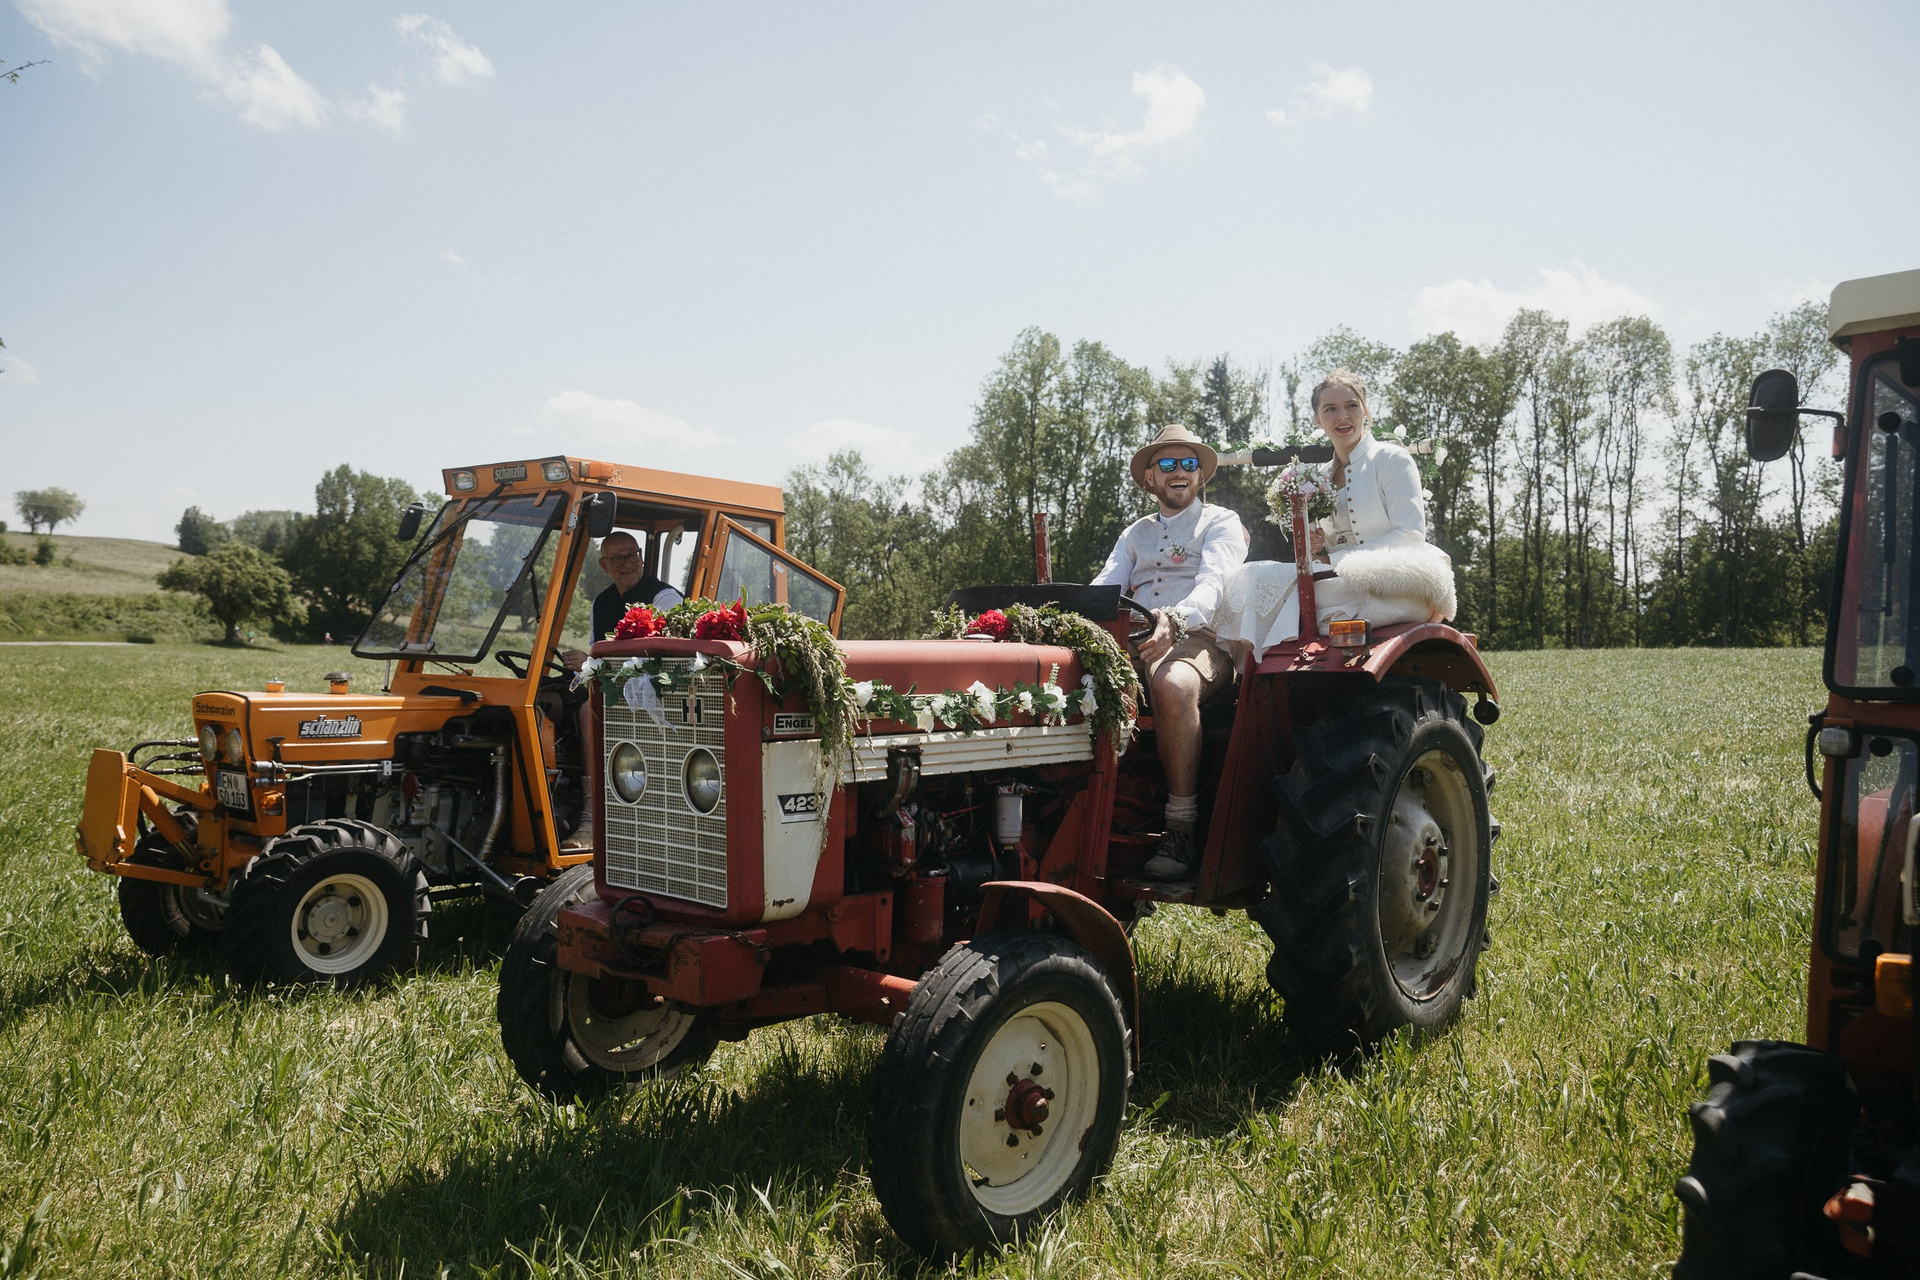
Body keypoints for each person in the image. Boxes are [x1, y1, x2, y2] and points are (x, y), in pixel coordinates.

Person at [1092, 424, 1249, 880]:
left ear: (1200, 475)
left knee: (1173, 683)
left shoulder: (1220, 522)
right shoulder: (1134, 533)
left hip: (1202, 639)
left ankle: (1181, 828)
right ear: (1150, 478)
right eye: (1167, 464)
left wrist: (1176, 619)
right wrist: (1071, 612)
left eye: (1188, 463)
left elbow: (1214, 584)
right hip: (1136, 638)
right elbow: (1106, 585)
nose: (1178, 471)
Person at [1210, 370, 1454, 662]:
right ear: (1317, 418)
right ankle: (1243, 673)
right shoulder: (1320, 476)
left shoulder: (1391, 459)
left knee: (1268, 582)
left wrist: (1333, 560)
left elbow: (1411, 535)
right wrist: (1316, 548)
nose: (1343, 416)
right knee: (1247, 576)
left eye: (1351, 406)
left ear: (1365, 411)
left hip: (1393, 583)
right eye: (1331, 409)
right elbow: (1324, 551)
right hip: (1333, 580)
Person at [560, 531, 685, 672]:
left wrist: (590, 666)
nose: (627, 564)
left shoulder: (665, 599)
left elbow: (659, 666)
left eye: (632, 556)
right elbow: (597, 654)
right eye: (617, 559)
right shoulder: (600, 603)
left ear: (641, 556)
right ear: (604, 565)